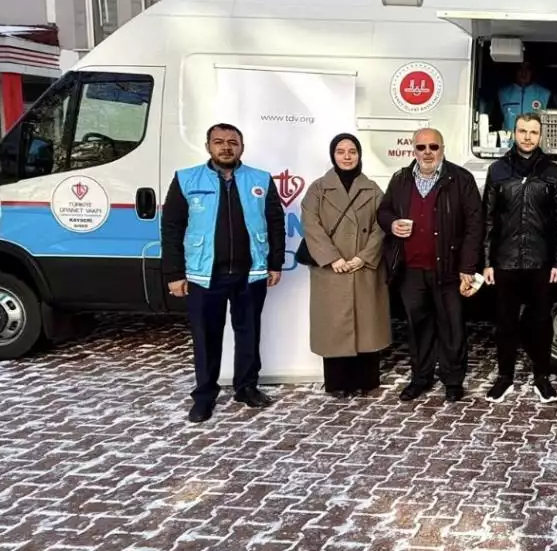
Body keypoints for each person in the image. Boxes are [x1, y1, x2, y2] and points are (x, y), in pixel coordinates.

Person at [161, 123, 285, 424]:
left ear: (242, 147)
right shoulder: (186, 179)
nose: (226, 147)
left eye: (232, 142)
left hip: (250, 272)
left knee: (249, 333)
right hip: (204, 275)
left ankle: (247, 388)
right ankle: (204, 397)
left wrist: (275, 263)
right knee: (206, 337)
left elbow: (275, 223)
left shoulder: (260, 179)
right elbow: (172, 228)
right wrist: (174, 273)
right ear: (208, 147)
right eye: (219, 142)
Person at [379, 127, 484, 402]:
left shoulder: (460, 179)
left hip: (449, 269)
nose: (427, 152)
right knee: (418, 328)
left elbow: (475, 225)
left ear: (442, 149)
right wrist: (392, 224)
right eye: (421, 147)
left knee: (452, 327)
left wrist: (468, 267)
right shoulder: (401, 179)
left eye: (433, 147)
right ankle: (421, 378)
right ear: (413, 150)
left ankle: (453, 380)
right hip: (411, 271)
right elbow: (384, 211)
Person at [483, 112, 557, 403]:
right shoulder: (497, 171)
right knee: (505, 322)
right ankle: (504, 377)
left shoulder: (553, 173)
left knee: (541, 322)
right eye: (522, 131)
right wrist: (487, 262)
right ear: (513, 133)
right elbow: (488, 219)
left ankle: (541, 378)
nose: (528, 137)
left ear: (540, 136)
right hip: (505, 260)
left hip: (540, 261)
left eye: (533, 132)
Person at [300, 133, 390, 397]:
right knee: (335, 327)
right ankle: (338, 383)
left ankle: (366, 381)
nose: (347, 157)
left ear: (359, 155)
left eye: (352, 151)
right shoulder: (317, 189)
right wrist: (332, 258)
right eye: (341, 151)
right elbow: (311, 225)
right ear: (333, 155)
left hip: (363, 268)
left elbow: (381, 226)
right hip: (332, 270)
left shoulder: (373, 189)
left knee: (366, 327)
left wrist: (364, 257)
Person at [493, 61, 552, 132]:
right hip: (509, 139)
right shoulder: (502, 93)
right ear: (514, 70)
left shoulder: (545, 94)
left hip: (535, 139)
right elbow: (495, 123)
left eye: (528, 68)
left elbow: (551, 126)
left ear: (533, 71)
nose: (524, 73)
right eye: (520, 68)